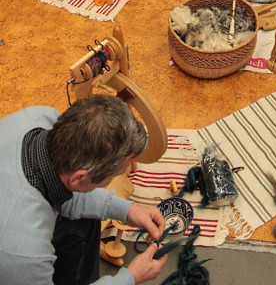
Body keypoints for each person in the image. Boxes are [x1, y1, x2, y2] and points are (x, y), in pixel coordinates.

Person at [0, 94, 168, 285]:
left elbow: (65, 186)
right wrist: (130, 277)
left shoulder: (41, 117)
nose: (113, 179)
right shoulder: (24, 253)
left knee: (87, 218)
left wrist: (127, 210)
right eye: (113, 176)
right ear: (79, 177)